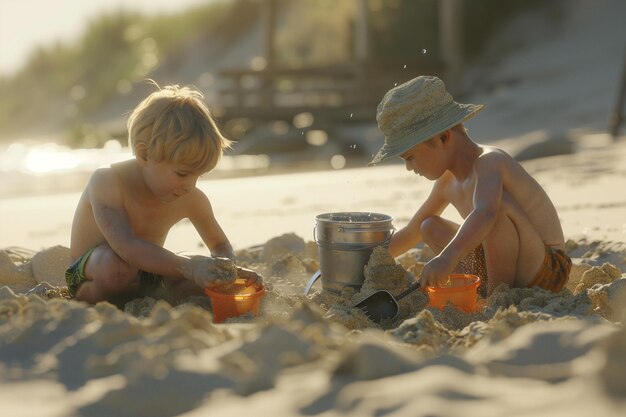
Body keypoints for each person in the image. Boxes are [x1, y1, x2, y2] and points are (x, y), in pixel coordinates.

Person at [369, 75, 571, 295]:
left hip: (545, 269)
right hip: (502, 263)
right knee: (428, 226)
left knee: (495, 209)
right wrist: (367, 261)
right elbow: (412, 232)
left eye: (410, 157)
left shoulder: (490, 161)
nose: (409, 167)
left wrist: (447, 258)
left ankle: (496, 297)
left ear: (444, 138)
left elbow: (485, 214)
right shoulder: (447, 182)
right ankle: (481, 288)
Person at [66, 82, 261, 307]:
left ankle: (149, 297)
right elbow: (125, 245)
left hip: (146, 274)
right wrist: (189, 267)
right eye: (182, 173)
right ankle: (89, 298)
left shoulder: (190, 197)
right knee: (117, 268)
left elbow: (219, 245)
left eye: (199, 175)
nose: (190, 185)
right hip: (92, 271)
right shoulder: (108, 181)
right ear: (144, 154)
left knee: (203, 275)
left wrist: (224, 269)